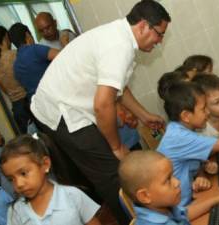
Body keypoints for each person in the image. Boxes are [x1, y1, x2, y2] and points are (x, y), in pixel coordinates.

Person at [30, 1, 170, 224]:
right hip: (61, 114)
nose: (160, 41)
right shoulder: (119, 46)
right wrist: (116, 147)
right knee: (113, 174)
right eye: (159, 34)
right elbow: (103, 104)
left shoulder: (120, 35)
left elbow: (119, 87)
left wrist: (144, 115)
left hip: (59, 106)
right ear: (143, 26)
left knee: (105, 171)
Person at [119, 150, 219, 225]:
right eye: (167, 180)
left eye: (172, 175)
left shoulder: (161, 208)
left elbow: (185, 214)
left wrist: (218, 199)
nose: (177, 182)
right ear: (145, 196)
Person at [0, 134, 101, 225]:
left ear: (45, 164)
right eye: (11, 179)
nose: (19, 184)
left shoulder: (72, 195)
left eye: (23, 173)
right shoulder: (16, 212)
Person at [0, 26, 31, 133]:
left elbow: (4, 90)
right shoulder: (15, 54)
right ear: (6, 37)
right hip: (28, 100)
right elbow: (28, 75)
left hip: (16, 108)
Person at [8, 22, 59, 99]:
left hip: (39, 102)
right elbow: (62, 56)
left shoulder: (16, 66)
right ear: (27, 35)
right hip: (54, 95)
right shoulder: (34, 49)